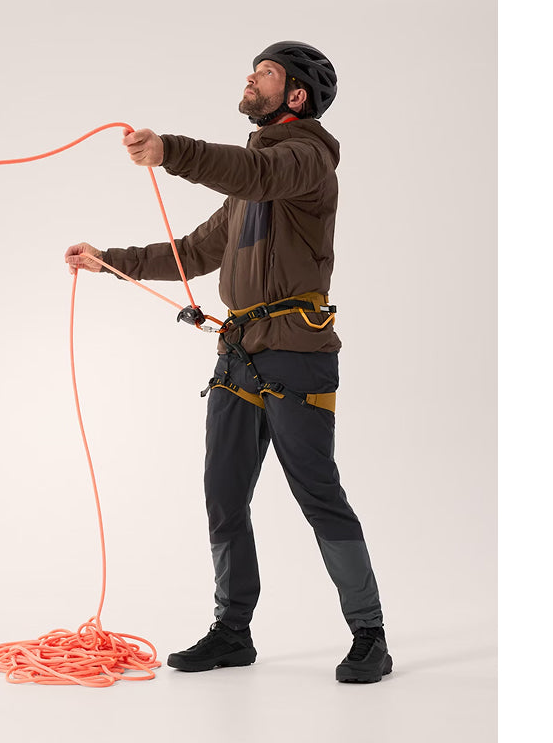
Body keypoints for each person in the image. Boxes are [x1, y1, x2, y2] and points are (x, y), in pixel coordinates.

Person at [66, 41, 392, 683]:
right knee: (224, 494)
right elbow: (193, 251)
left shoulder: (304, 160)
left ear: (295, 95)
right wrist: (109, 261)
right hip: (238, 357)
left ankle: (370, 635)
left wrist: (172, 151)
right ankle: (232, 632)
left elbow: (257, 174)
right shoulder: (249, 183)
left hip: (297, 356)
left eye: (265, 72)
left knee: (317, 493)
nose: (251, 76)